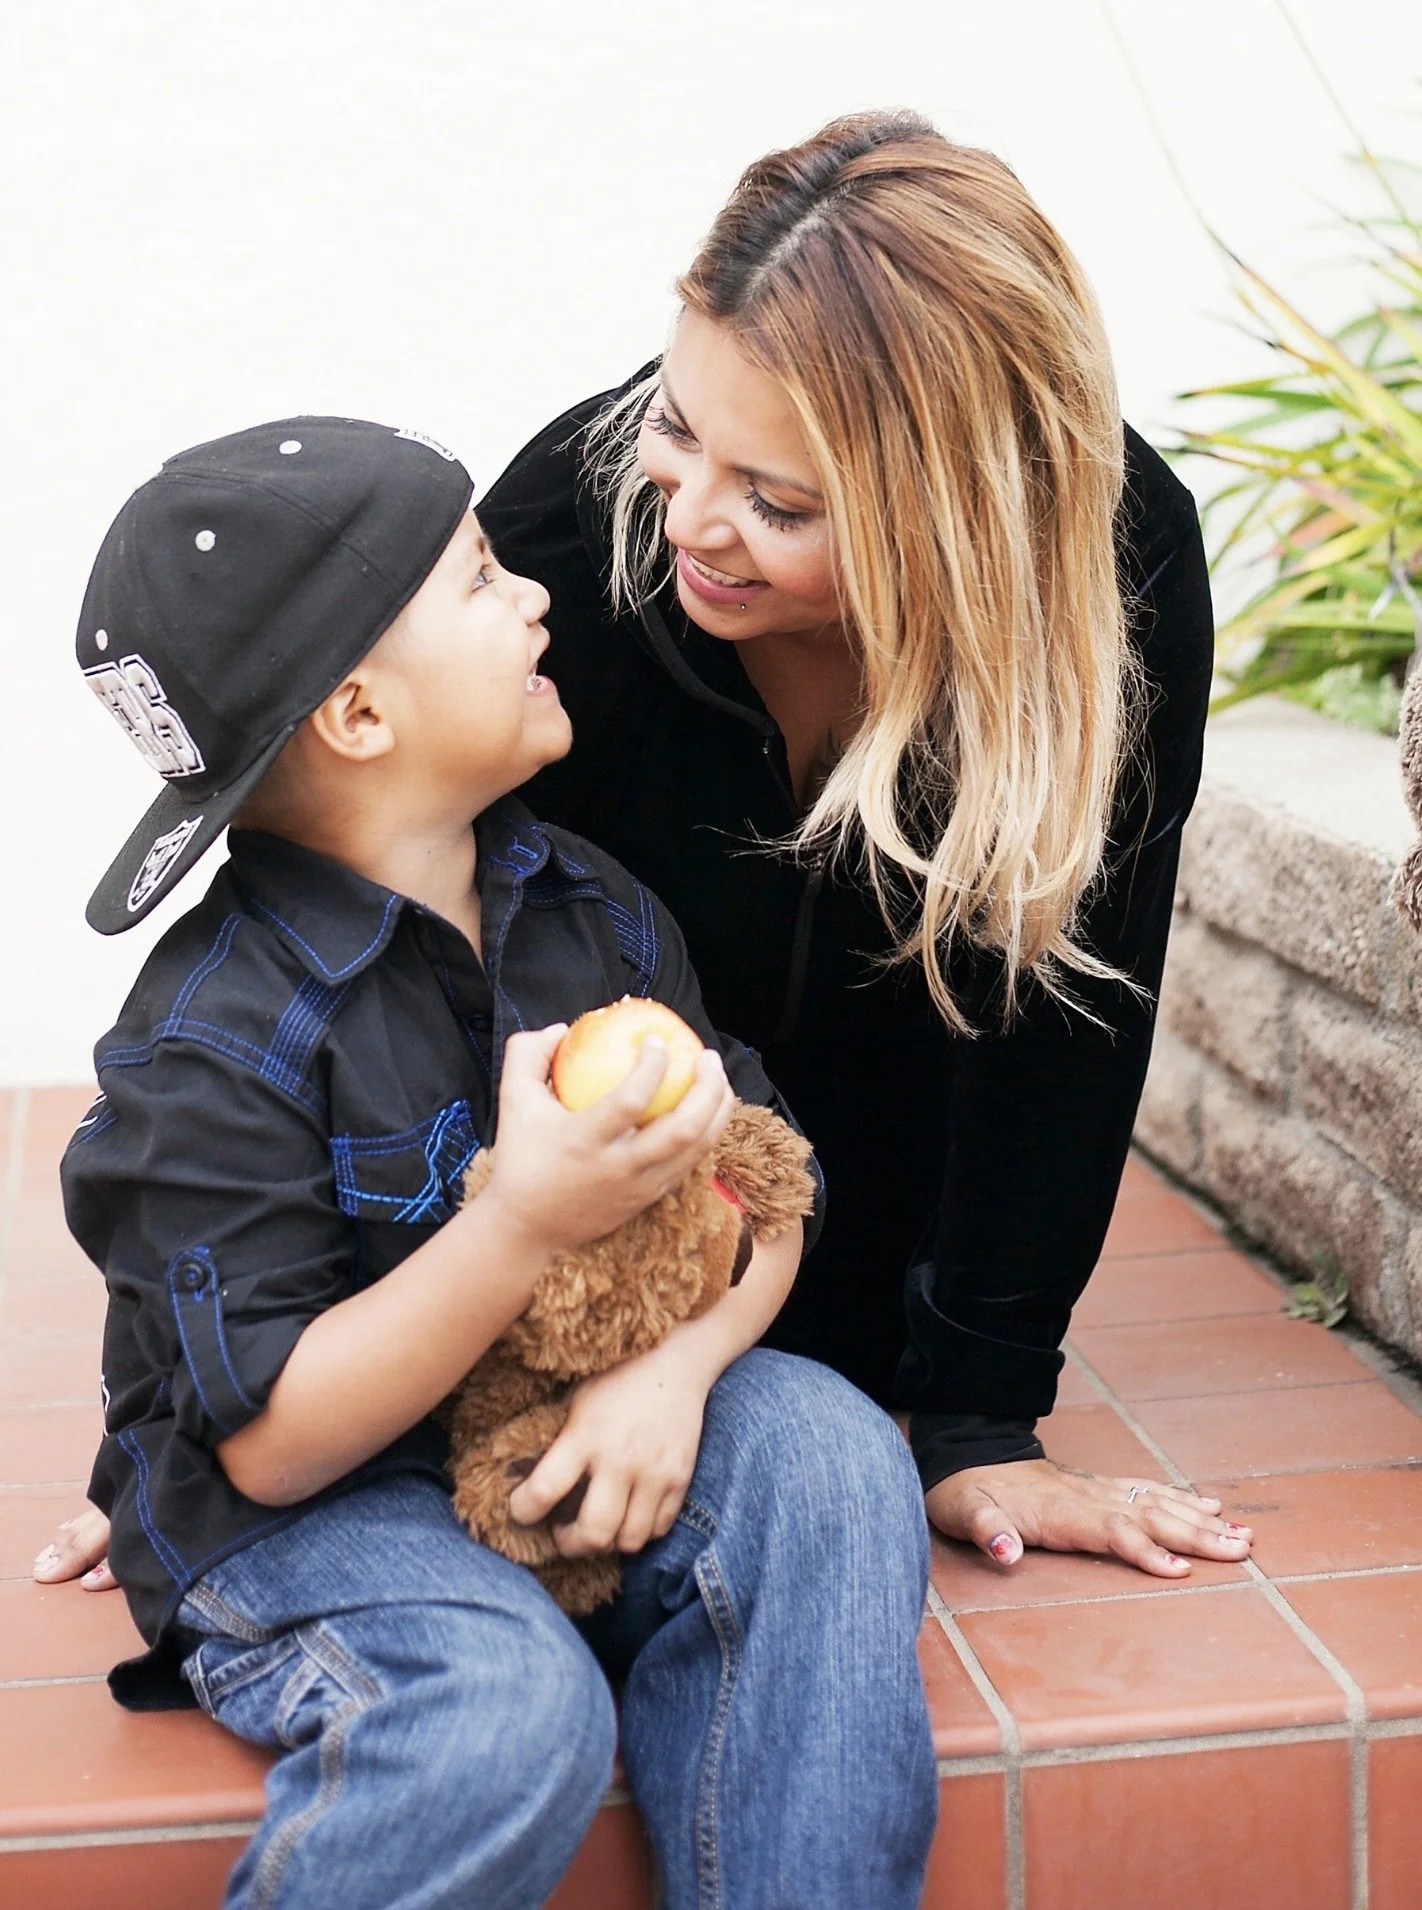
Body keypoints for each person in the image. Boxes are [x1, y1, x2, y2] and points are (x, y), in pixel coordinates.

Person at [46, 417, 936, 1909]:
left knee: (831, 1449)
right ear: (357, 714)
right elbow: (272, 1447)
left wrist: (681, 1365)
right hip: (313, 1519)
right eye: (478, 580)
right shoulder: (209, 1040)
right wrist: (523, 1217)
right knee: (506, 1704)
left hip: (568, 1439)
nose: (536, 599)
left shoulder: (589, 905)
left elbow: (764, 1179)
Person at [473, 108, 1256, 1576]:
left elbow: (1071, 1004)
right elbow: (371, 937)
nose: (693, 520)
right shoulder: (566, 534)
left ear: (956, 516)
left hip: (870, 1274)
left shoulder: (1116, 566)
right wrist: (239, 1398)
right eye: (676, 426)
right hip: (584, 1264)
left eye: (776, 503)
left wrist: (978, 1417)